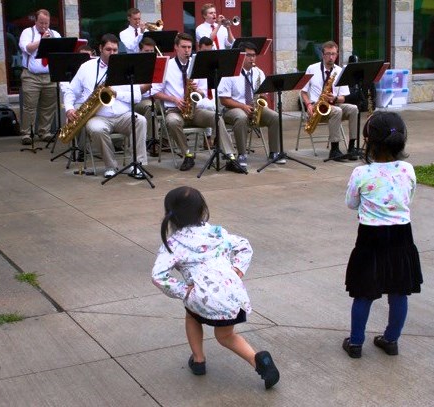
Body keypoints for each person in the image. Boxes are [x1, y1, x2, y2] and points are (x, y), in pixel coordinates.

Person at [151, 186, 280, 389]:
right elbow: (244, 245)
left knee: (192, 315)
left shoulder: (173, 244)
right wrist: (237, 269)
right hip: (232, 295)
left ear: (170, 216)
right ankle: (258, 360)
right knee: (226, 335)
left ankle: (199, 359)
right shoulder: (217, 233)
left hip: (201, 295)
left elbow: (158, 276)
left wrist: (184, 291)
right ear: (203, 210)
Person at [342, 111, 422, 359]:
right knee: (399, 290)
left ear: (368, 141)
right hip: (401, 236)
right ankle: (391, 340)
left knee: (364, 291)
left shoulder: (361, 173)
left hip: (369, 238)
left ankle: (355, 343)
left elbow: (351, 203)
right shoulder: (407, 169)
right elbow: (408, 197)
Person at [150, 33, 238, 172]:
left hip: (194, 109)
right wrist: (174, 99)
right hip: (175, 110)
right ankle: (188, 154)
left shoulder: (197, 64)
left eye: (189, 47)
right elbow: (154, 92)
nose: (187, 51)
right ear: (176, 47)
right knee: (172, 122)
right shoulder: (167, 65)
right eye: (183, 47)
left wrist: (197, 92)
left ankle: (230, 156)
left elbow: (203, 91)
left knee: (216, 117)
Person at [63, 33, 148, 179]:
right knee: (96, 128)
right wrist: (69, 108)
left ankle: (137, 165)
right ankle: (110, 166)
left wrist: (116, 94)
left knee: (141, 120)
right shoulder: (86, 67)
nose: (112, 53)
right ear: (101, 48)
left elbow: (137, 96)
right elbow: (71, 91)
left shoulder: (126, 67)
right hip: (99, 116)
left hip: (123, 115)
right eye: (109, 49)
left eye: (115, 50)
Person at [219, 42, 285, 167]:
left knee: (275, 117)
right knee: (241, 117)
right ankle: (242, 154)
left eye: (254, 55)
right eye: (248, 55)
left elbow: (262, 96)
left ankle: (274, 152)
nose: (252, 58)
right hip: (232, 109)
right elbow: (224, 100)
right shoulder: (230, 72)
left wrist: (261, 99)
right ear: (241, 56)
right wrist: (243, 106)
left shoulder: (259, 73)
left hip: (253, 108)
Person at [301, 41, 360, 161]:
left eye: (333, 54)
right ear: (322, 55)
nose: (331, 57)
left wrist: (335, 98)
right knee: (337, 111)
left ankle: (352, 147)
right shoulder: (312, 68)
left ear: (337, 54)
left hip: (335, 104)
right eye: (328, 54)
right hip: (317, 108)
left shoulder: (339, 71)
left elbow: (343, 97)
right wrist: (308, 105)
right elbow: (303, 92)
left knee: (354, 108)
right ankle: (334, 149)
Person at [18, 9, 61, 145]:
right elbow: (27, 48)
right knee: (30, 106)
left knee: (48, 106)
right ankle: (27, 133)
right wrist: (41, 41)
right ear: (35, 21)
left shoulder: (55, 34)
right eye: (41, 22)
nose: (44, 26)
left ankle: (45, 132)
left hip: (50, 75)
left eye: (46, 23)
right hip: (31, 76)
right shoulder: (27, 32)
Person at [134, 37, 157, 147]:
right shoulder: (135, 65)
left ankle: (165, 139)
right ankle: (151, 140)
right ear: (140, 51)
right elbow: (137, 91)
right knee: (150, 106)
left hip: (157, 98)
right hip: (140, 101)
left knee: (172, 105)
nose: (149, 54)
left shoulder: (158, 63)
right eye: (146, 51)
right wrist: (151, 84)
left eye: (151, 52)